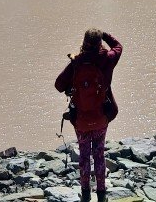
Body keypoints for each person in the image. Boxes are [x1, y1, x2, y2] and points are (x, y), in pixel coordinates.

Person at [55, 28, 123, 202]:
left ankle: (85, 194)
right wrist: (105, 34)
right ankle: (101, 195)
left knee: (84, 155)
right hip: (101, 118)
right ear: (100, 43)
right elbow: (118, 46)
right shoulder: (107, 59)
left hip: (81, 120)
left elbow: (58, 85)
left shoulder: (76, 62)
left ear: (84, 42)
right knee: (99, 154)